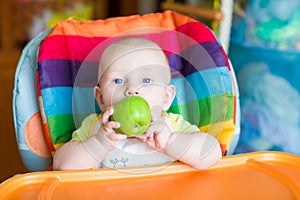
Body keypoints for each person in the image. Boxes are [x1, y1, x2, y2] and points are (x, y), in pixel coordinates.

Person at [53, 37, 222, 170]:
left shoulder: (173, 127)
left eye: (146, 80)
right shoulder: (95, 128)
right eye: (118, 80)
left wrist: (170, 141)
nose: (132, 89)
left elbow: (212, 154)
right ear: (101, 98)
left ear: (166, 98)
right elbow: (61, 165)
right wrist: (99, 144)